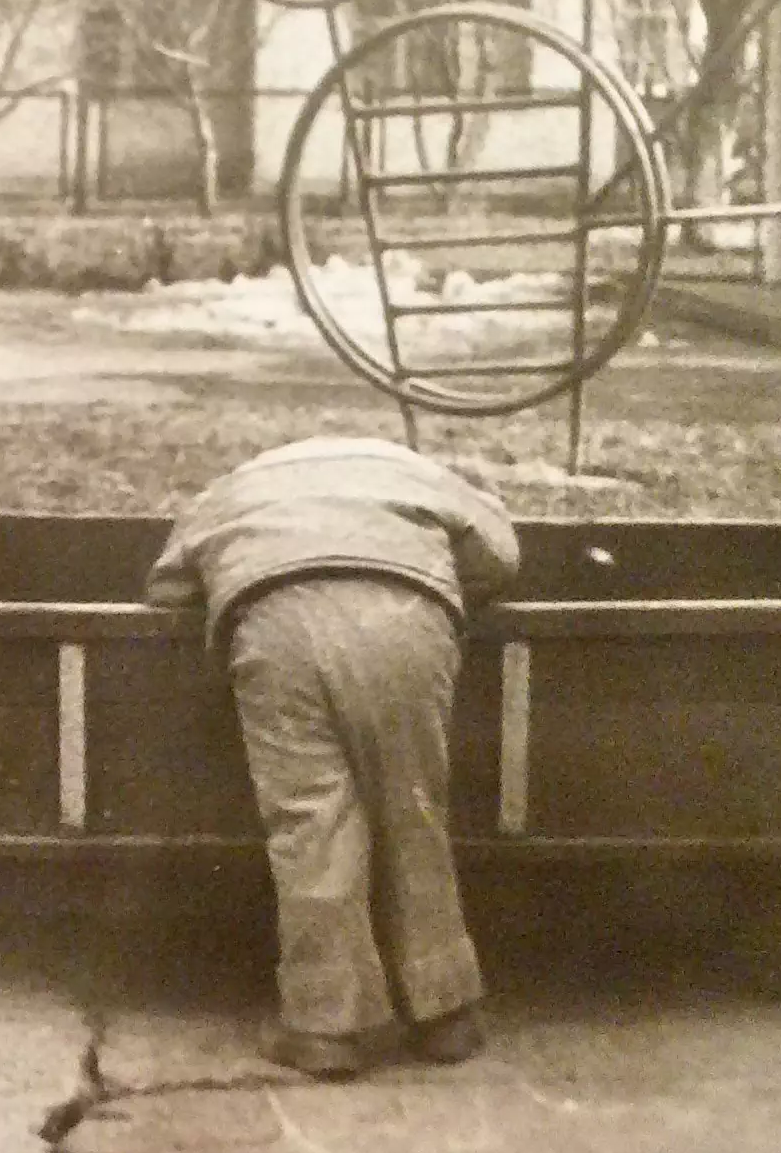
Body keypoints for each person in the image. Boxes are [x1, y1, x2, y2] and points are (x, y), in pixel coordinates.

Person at [142, 437, 519, 1080]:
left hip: (277, 619)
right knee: (413, 808)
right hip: (406, 613)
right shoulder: (416, 471)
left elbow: (166, 588)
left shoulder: (231, 487)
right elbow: (502, 556)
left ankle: (325, 1026)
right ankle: (446, 1013)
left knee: (310, 820)